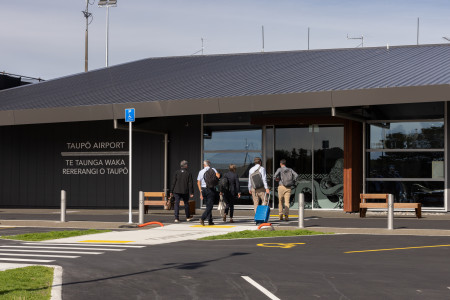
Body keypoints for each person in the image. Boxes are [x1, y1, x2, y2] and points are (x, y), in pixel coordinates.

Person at [197, 160, 220, 226]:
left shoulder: (201, 172)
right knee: (210, 206)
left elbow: (198, 182)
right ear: (209, 164)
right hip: (210, 189)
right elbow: (218, 176)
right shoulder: (213, 169)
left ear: (204, 165)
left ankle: (210, 221)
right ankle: (202, 218)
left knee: (208, 205)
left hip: (203, 189)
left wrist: (200, 191)